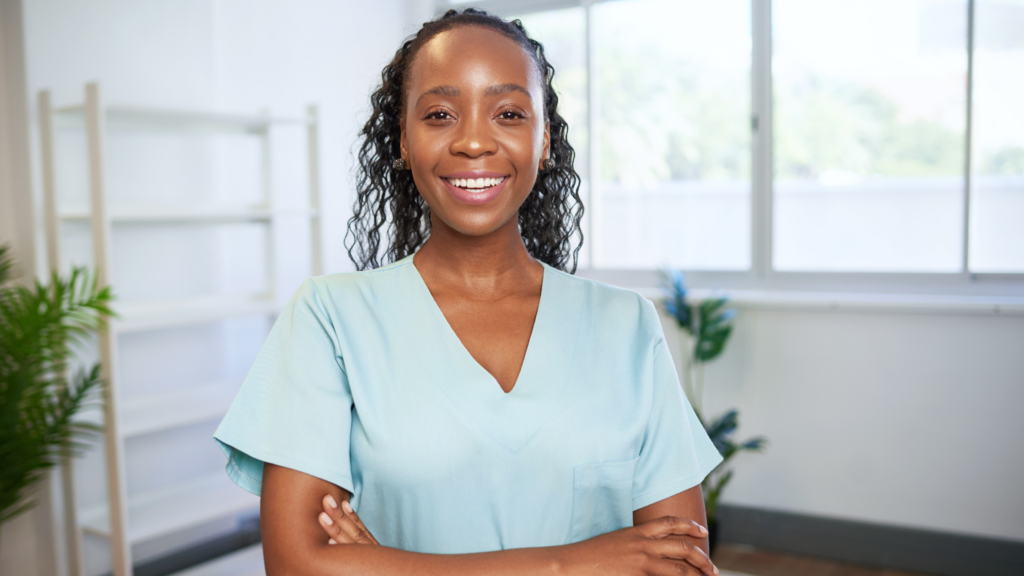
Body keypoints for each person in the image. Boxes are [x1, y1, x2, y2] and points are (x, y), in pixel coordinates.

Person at [213, 8, 723, 576]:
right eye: (439, 114)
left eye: (508, 112)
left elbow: (679, 563)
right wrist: (569, 564)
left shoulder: (627, 326)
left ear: (544, 139)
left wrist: (387, 566)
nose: (474, 141)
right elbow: (298, 566)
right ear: (404, 141)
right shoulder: (329, 319)